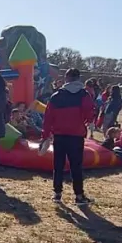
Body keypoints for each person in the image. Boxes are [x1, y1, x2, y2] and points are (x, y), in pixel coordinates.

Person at [41, 68, 95, 205]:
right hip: (76, 136)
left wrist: (45, 135)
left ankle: (57, 194)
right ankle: (79, 195)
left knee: (58, 165)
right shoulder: (84, 95)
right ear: (78, 78)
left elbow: (48, 118)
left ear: (66, 78)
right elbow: (89, 114)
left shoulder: (56, 96)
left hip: (59, 135)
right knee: (76, 166)